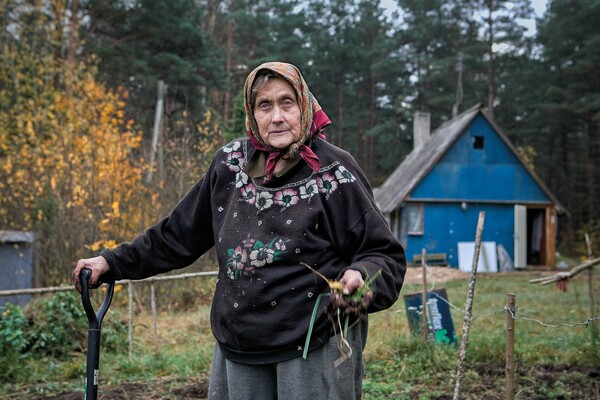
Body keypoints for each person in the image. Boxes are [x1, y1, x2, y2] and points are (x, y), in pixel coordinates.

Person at [73, 61, 406, 400]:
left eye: (286, 102)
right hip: (239, 346)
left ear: (304, 104)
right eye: (265, 105)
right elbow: (177, 235)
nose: (276, 116)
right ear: (252, 112)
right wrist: (111, 262)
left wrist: (361, 276)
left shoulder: (336, 172)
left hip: (314, 346)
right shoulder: (229, 164)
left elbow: (384, 254)